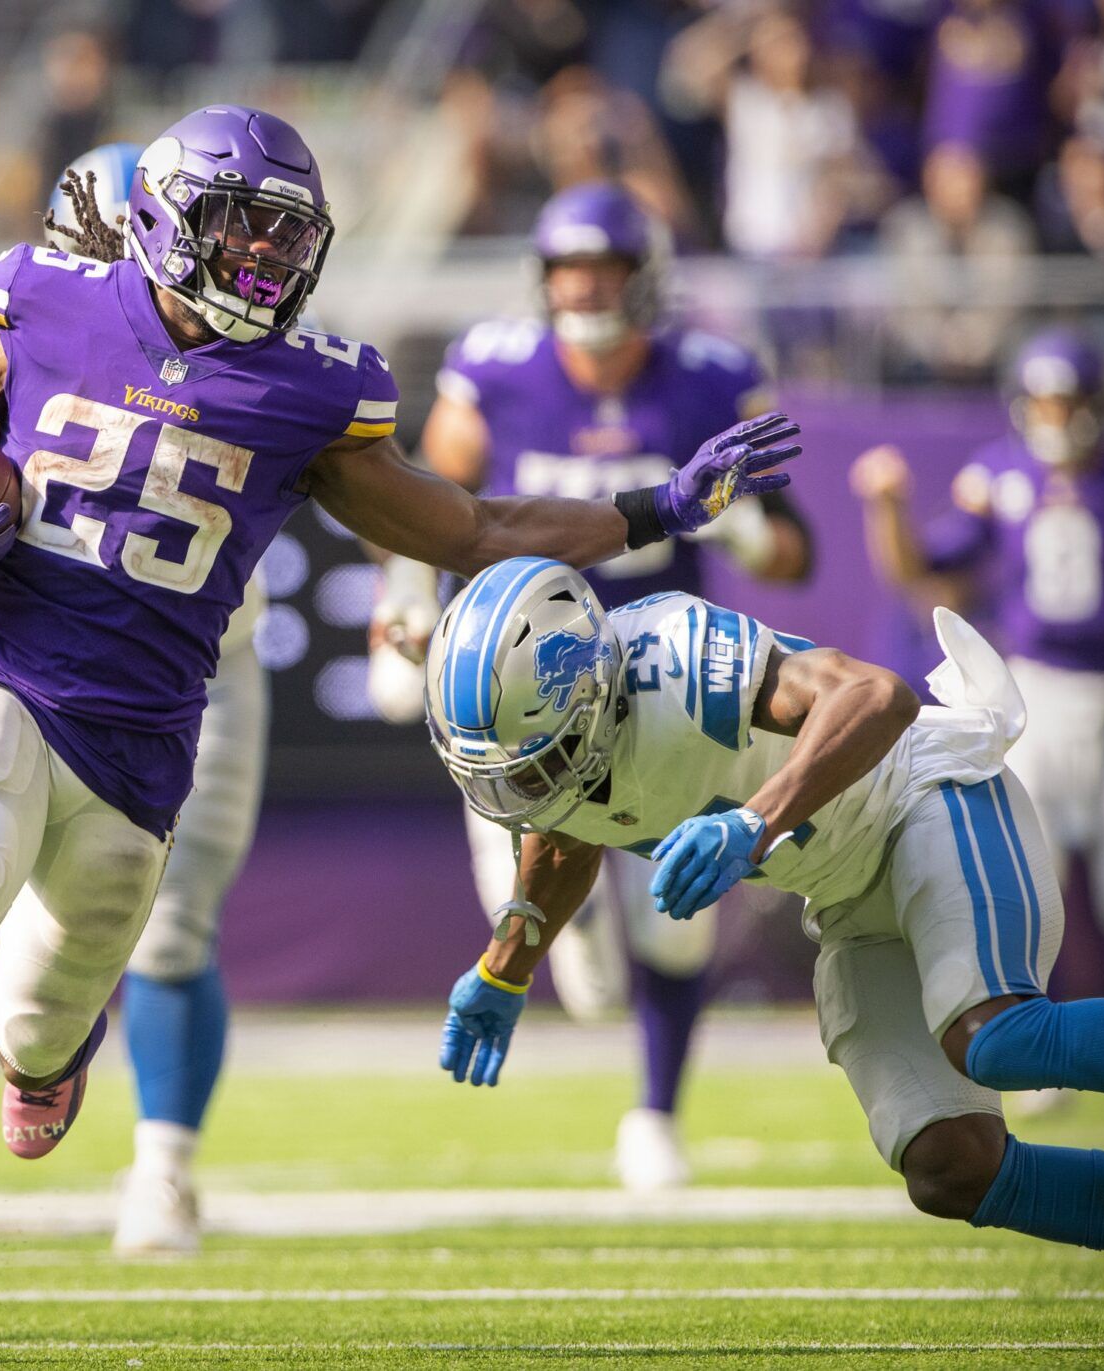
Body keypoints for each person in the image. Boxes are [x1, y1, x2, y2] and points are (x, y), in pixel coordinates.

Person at [0, 104, 803, 1345]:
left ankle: (45, 1063)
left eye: (285, 236)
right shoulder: (40, 299)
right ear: (163, 220)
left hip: (142, 745)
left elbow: (474, 529)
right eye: (240, 227)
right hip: (3, 671)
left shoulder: (310, 387)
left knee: (37, 1022)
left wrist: (659, 506)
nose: (264, 257)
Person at [426, 557, 1104, 1250]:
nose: (522, 784)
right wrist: (502, 971)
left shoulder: (676, 660)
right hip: (847, 893)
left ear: (588, 692)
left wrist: (755, 820)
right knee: (949, 1166)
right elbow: (562, 841)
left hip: (923, 797)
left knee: (997, 1039)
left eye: (535, 757)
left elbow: (878, 697)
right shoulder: (561, 762)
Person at [382, 181, 812, 1190]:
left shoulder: (710, 375)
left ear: (643, 279)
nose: (584, 289)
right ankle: (568, 950)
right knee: (575, 964)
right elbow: (428, 509)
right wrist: (405, 602)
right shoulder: (496, 367)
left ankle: (656, 1112)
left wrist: (748, 529)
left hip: (661, 678)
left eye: (604, 269)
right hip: (527, 685)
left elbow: (796, 554)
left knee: (676, 918)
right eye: (568, 270)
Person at [0, 140, 259, 1255]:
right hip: (28, 657)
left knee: (172, 929)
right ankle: (27, 1066)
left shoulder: (251, 329)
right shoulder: (10, 316)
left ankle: (164, 1169)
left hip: (195, 667)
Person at [852, 328, 1104, 1001]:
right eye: (1044, 404)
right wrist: (887, 506)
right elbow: (921, 569)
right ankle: (1041, 1019)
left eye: (1068, 404)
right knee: (1034, 867)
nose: (1056, 420)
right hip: (1038, 690)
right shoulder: (1003, 473)